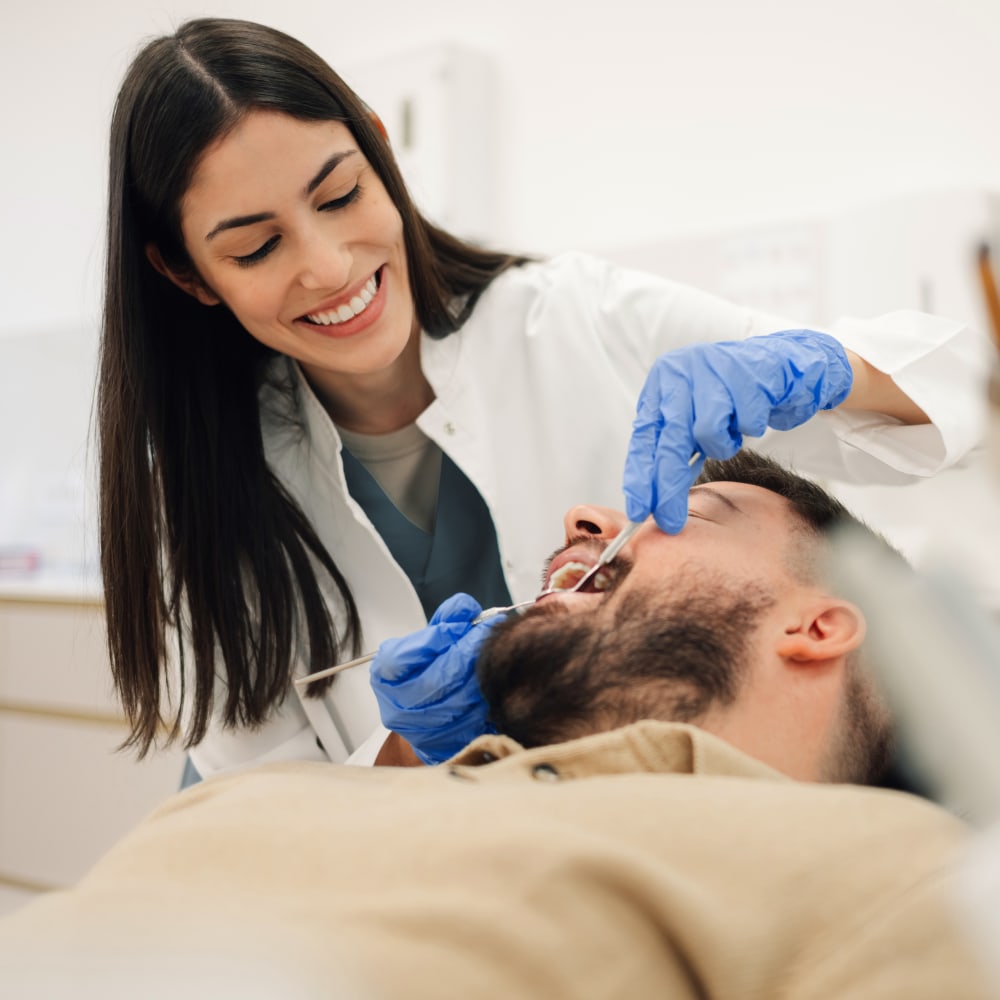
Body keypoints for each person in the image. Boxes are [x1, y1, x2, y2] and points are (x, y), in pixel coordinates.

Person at [100, 16, 991, 781]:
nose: (328, 266)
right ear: (187, 274)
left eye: (340, 194)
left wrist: (835, 367)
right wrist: (408, 752)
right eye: (255, 249)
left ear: (379, 147)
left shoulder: (579, 318)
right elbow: (260, 798)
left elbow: (953, 404)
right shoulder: (201, 491)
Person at [0, 453, 990, 998]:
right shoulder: (307, 798)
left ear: (817, 624)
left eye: (689, 507)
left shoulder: (888, 870)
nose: (591, 519)